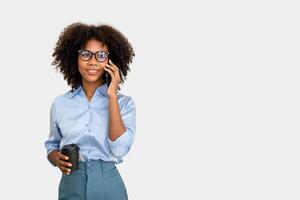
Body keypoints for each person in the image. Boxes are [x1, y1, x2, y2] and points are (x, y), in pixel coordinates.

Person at [44, 22, 136, 200]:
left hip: (108, 184)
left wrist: (112, 96)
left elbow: (119, 150)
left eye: (101, 55)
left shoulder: (124, 104)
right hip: (71, 184)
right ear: (75, 57)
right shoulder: (60, 104)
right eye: (85, 54)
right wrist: (56, 158)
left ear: (111, 61)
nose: (93, 61)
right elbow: (52, 146)